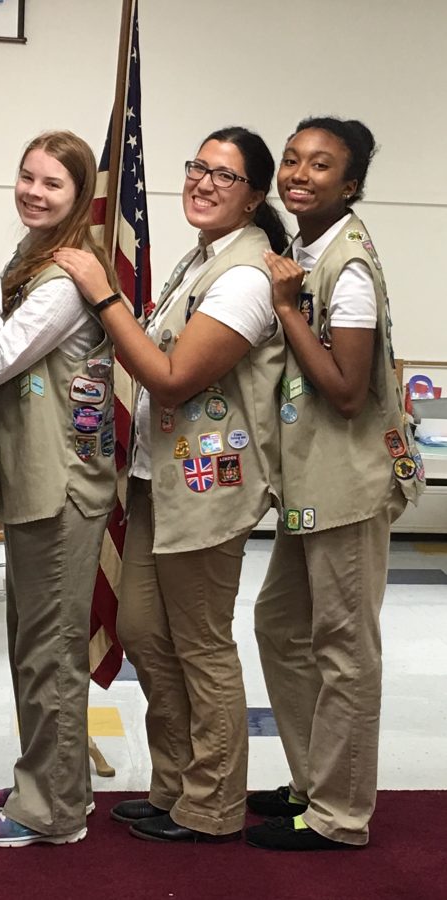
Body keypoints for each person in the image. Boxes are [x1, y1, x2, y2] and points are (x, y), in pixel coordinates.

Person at [55, 126, 287, 843]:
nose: (203, 182)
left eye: (225, 175)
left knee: (200, 643)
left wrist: (102, 296)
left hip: (209, 488)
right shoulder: (201, 259)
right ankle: (175, 783)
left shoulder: (245, 275)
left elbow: (175, 377)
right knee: (142, 630)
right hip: (160, 479)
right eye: (197, 167)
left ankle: (213, 804)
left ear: (253, 198)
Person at [0, 130, 118, 848]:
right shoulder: (32, 259)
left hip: (62, 486)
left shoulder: (68, 275)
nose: (33, 192)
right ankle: (54, 778)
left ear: (78, 199)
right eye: (27, 177)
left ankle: (53, 811)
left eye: (53, 184)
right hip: (35, 480)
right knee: (34, 643)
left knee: (50, 649)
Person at [244, 117, 425, 851]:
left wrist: (287, 312)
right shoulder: (303, 249)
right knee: (281, 626)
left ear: (350, 186)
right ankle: (311, 780)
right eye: (292, 159)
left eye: (321, 166)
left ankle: (340, 814)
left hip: (350, 481)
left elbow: (348, 390)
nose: (299, 174)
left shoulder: (343, 265)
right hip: (311, 480)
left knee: (345, 648)